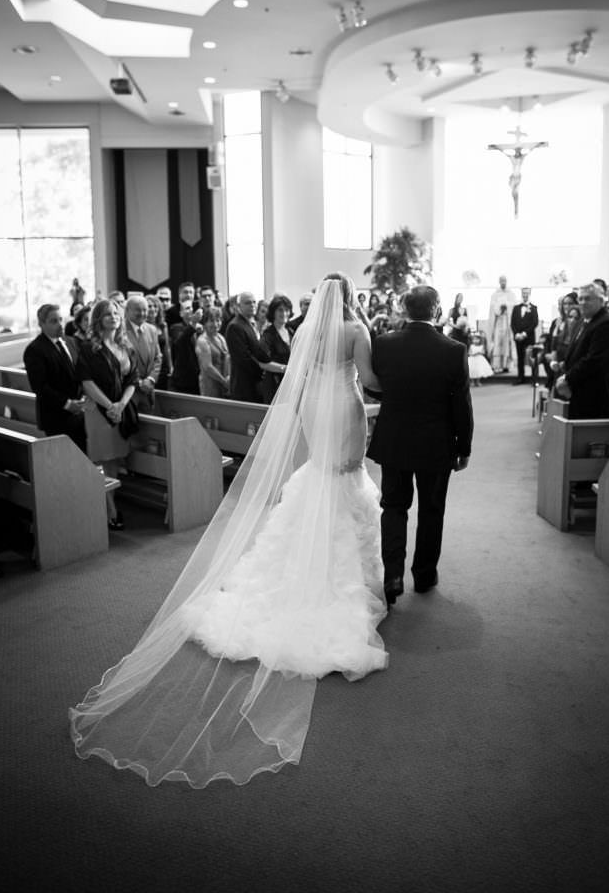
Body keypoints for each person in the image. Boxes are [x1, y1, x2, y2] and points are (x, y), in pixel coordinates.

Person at [70, 274, 387, 787]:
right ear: (349, 297)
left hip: (313, 405)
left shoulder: (306, 329)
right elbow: (371, 381)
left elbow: (299, 375)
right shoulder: (354, 328)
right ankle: (343, 575)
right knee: (347, 474)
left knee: (320, 474)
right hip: (343, 402)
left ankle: (297, 564)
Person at [368, 285, 473, 605]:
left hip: (396, 439)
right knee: (431, 510)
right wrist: (464, 446)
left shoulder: (384, 344)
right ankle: (424, 575)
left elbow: (376, 389)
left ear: (404, 310)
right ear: (437, 310)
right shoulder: (453, 349)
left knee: (394, 507)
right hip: (436, 443)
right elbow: (461, 404)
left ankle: (393, 575)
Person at [77, 300, 138, 529]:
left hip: (119, 411)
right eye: (107, 314)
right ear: (98, 320)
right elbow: (86, 381)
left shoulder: (125, 345)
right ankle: (110, 510)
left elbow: (132, 379)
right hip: (98, 411)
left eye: (115, 313)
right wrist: (109, 406)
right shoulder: (89, 347)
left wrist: (121, 404)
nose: (113, 317)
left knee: (113, 461)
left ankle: (109, 503)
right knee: (101, 459)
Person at [23, 303, 86, 452]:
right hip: (56, 416)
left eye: (61, 319)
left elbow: (79, 372)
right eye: (54, 321)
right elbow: (40, 387)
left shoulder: (71, 342)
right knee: (65, 462)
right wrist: (67, 403)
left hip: (79, 412)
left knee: (83, 458)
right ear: (41, 324)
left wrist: (83, 396)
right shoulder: (35, 350)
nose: (60, 324)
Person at [555, 283, 609, 418]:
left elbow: (594, 360)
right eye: (581, 299)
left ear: (601, 301)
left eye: (588, 298)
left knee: (591, 436)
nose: (583, 303)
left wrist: (567, 377)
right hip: (580, 390)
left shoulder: (606, 324)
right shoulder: (583, 321)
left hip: (596, 394)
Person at [226, 292, 286, 402]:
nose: (252, 305)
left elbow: (259, 353)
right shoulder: (235, 326)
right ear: (239, 306)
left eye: (254, 302)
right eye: (248, 303)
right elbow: (244, 358)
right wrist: (263, 371)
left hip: (253, 384)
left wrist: (277, 366)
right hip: (243, 385)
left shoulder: (249, 324)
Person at [124, 295, 162, 412]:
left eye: (145, 310)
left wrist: (151, 379)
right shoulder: (119, 331)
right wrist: (139, 382)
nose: (142, 313)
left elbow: (158, 357)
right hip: (129, 392)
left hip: (149, 390)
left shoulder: (152, 329)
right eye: (138, 310)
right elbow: (121, 361)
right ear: (127, 311)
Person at [259, 294, 292, 403]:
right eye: (280, 310)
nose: (284, 313)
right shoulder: (268, 335)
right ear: (273, 312)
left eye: (287, 310)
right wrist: (285, 368)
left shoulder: (291, 331)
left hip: (289, 383)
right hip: (274, 383)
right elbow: (262, 363)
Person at [195, 308, 230, 397]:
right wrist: (224, 381)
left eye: (218, 320)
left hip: (223, 381)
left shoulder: (221, 337)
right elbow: (208, 367)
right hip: (210, 384)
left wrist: (228, 378)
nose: (215, 324)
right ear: (205, 323)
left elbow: (227, 358)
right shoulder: (202, 341)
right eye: (211, 321)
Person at [487, 275, 517, 373]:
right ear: (499, 282)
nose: (503, 282)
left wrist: (507, 307)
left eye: (504, 280)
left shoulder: (511, 294)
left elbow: (513, 307)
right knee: (497, 343)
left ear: (506, 281)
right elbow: (492, 309)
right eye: (501, 281)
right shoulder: (495, 294)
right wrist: (499, 309)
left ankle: (506, 365)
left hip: (507, 322)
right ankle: (497, 365)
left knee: (507, 344)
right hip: (498, 322)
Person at [510, 287, 539, 385]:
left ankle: (534, 379)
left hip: (529, 337)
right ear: (521, 294)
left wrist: (524, 334)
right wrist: (516, 334)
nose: (525, 295)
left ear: (529, 294)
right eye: (523, 293)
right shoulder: (516, 308)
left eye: (527, 293)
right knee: (520, 358)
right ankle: (520, 378)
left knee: (531, 358)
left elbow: (535, 323)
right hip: (518, 338)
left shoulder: (534, 308)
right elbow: (512, 323)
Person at [146, 294, 172, 390]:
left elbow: (167, 347)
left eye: (155, 306)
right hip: (150, 367)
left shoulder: (163, 325)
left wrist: (170, 366)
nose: (153, 309)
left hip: (163, 366)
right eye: (149, 306)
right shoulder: (143, 326)